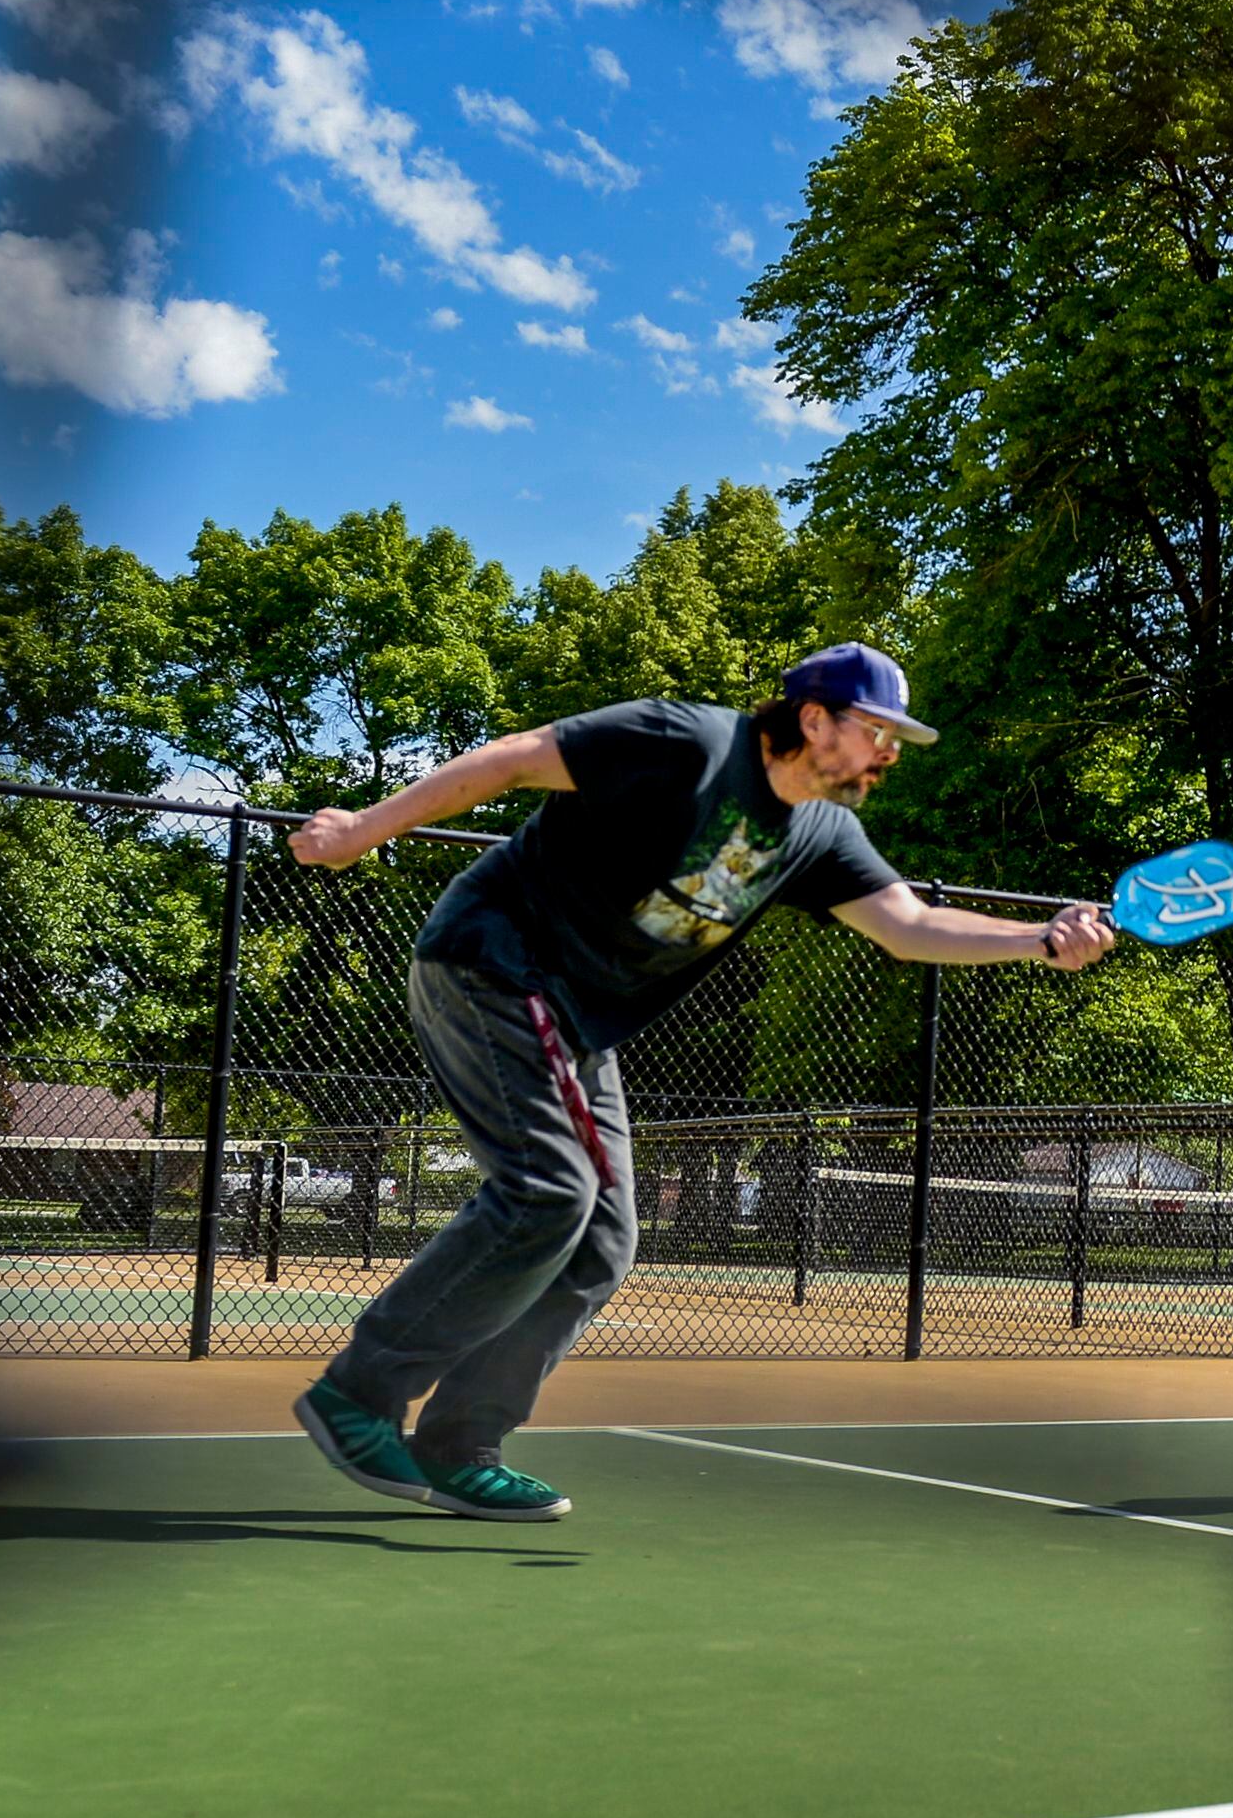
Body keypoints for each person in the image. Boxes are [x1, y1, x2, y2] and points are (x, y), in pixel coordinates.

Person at [283, 644, 1113, 1521]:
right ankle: (357, 1394)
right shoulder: (686, 741)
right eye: (876, 731)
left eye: (896, 738)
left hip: (577, 1024)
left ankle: (459, 1441)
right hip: (498, 962)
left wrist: (1038, 939)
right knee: (548, 1194)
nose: (889, 753)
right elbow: (516, 758)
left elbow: (907, 924)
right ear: (813, 719)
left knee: (603, 1241)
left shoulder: (822, 834)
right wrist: (362, 830)